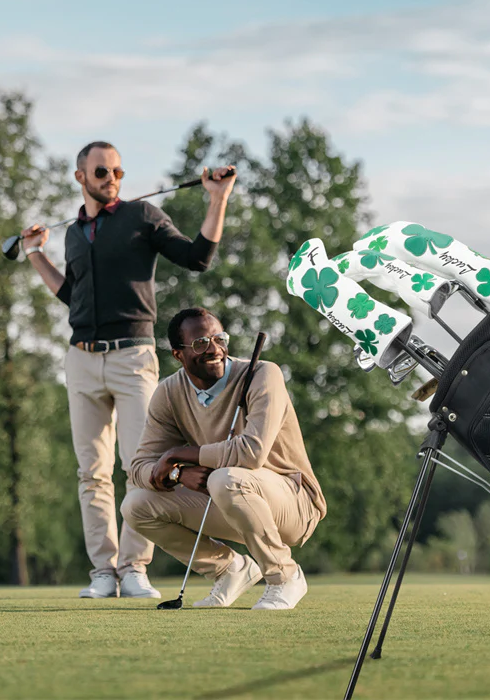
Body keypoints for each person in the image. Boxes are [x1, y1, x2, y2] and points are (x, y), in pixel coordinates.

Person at [22, 141, 235, 599]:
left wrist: (217, 199)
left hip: (132, 356)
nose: (112, 179)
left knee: (139, 465)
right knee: (91, 472)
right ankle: (103, 572)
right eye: (102, 172)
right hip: (81, 359)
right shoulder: (74, 234)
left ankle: (135, 567)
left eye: (117, 171)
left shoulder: (142, 217)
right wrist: (36, 254)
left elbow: (198, 258)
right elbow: (72, 296)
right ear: (81, 177)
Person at [122, 307, 326, 610]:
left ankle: (284, 575)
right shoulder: (168, 392)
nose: (214, 349)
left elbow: (251, 453)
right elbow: (139, 467)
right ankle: (229, 569)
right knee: (136, 505)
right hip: (229, 496)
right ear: (178, 354)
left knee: (224, 478)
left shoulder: (263, 373)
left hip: (294, 503)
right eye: (200, 343)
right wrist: (179, 474)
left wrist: (178, 454)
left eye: (219, 339)